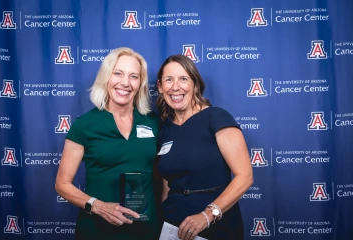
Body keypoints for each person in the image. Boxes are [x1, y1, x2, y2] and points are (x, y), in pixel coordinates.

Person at [55, 47, 159, 240]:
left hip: (145, 229)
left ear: (140, 84)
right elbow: (62, 184)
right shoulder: (84, 125)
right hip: (98, 229)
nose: (125, 83)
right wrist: (98, 206)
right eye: (118, 73)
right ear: (106, 77)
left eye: (133, 76)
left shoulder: (152, 122)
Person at [156, 54, 253, 240]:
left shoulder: (216, 118)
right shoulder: (165, 130)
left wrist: (207, 216)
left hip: (217, 225)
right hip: (174, 227)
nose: (175, 86)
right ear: (160, 87)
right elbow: (167, 187)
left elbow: (245, 176)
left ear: (195, 84)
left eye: (183, 79)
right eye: (169, 80)